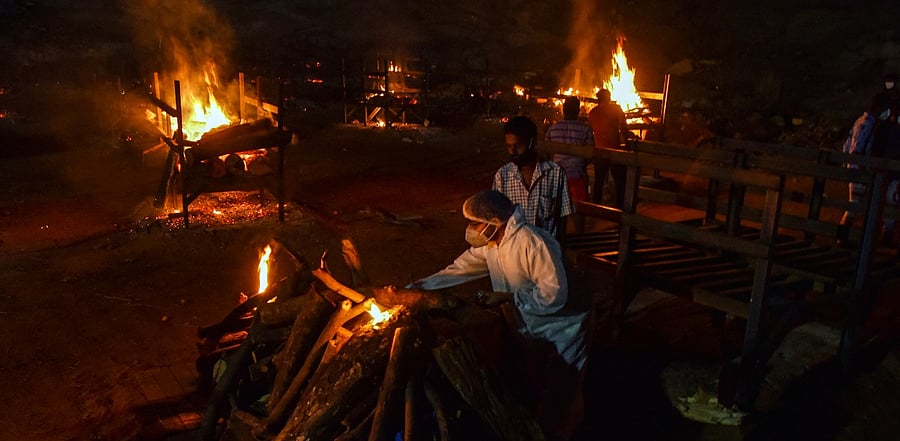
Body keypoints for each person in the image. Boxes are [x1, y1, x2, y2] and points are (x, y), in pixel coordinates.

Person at [409, 189, 590, 441]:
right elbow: (459, 268)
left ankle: (567, 433)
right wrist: (417, 288)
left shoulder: (533, 242)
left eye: (474, 223)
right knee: (539, 383)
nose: (470, 229)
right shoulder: (493, 245)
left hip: (564, 326)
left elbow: (554, 295)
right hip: (530, 326)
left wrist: (507, 297)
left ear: (494, 221)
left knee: (565, 389)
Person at [493, 115, 573, 243]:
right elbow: (497, 221)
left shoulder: (555, 173)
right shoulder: (502, 176)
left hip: (546, 251)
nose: (513, 151)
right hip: (514, 250)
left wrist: (560, 251)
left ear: (531, 142)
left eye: (517, 146)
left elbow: (562, 219)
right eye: (509, 146)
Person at [545, 97, 594, 232]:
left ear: (563, 109)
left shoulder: (553, 129)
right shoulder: (585, 129)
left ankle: (560, 238)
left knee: (558, 209)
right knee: (579, 208)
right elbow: (590, 153)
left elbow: (547, 153)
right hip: (577, 175)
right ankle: (580, 236)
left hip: (557, 176)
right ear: (578, 111)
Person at [587, 88, 629, 208]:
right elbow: (623, 127)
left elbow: (590, 130)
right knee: (620, 180)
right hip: (615, 150)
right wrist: (626, 144)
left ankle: (596, 206)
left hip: (599, 150)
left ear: (598, 99)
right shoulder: (616, 109)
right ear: (609, 98)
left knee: (599, 180)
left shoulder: (593, 112)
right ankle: (620, 206)